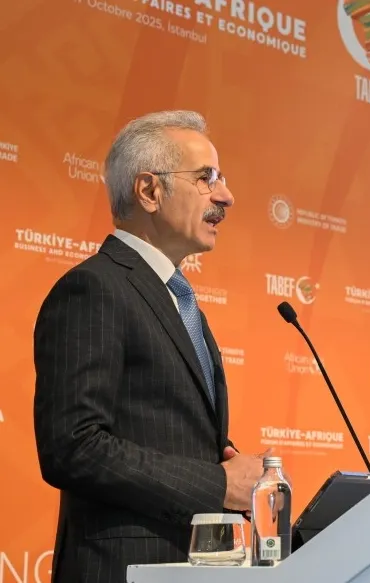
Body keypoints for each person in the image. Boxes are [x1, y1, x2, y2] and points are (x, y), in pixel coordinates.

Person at [33, 110, 267, 583]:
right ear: (149, 191)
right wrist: (218, 484)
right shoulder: (94, 289)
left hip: (191, 566)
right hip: (121, 570)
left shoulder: (178, 300)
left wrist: (236, 469)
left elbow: (168, 433)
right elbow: (72, 446)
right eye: (207, 178)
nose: (226, 196)